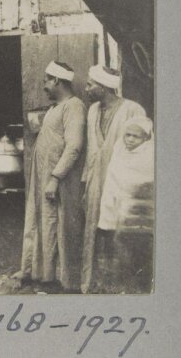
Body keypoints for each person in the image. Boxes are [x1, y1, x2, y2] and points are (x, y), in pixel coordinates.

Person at [17, 61, 85, 292]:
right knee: (43, 223)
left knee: (55, 225)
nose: (44, 85)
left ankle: (56, 281)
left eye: (46, 80)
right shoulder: (56, 107)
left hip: (58, 181)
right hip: (44, 179)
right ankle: (41, 275)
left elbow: (74, 146)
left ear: (57, 80)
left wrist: (55, 177)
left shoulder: (74, 106)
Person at [81, 65, 146, 293]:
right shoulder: (91, 111)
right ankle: (93, 285)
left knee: (119, 234)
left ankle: (121, 288)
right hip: (95, 183)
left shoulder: (132, 110)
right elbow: (92, 149)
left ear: (104, 87)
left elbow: (143, 150)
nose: (86, 88)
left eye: (90, 84)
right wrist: (86, 180)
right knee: (94, 232)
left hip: (122, 186)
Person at [96, 117, 154, 293]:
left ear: (145, 138)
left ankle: (139, 287)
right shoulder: (119, 149)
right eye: (127, 135)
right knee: (115, 250)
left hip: (137, 211)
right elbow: (113, 177)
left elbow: (145, 180)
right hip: (114, 205)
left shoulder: (150, 153)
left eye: (135, 136)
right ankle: (116, 286)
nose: (129, 139)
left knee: (136, 253)